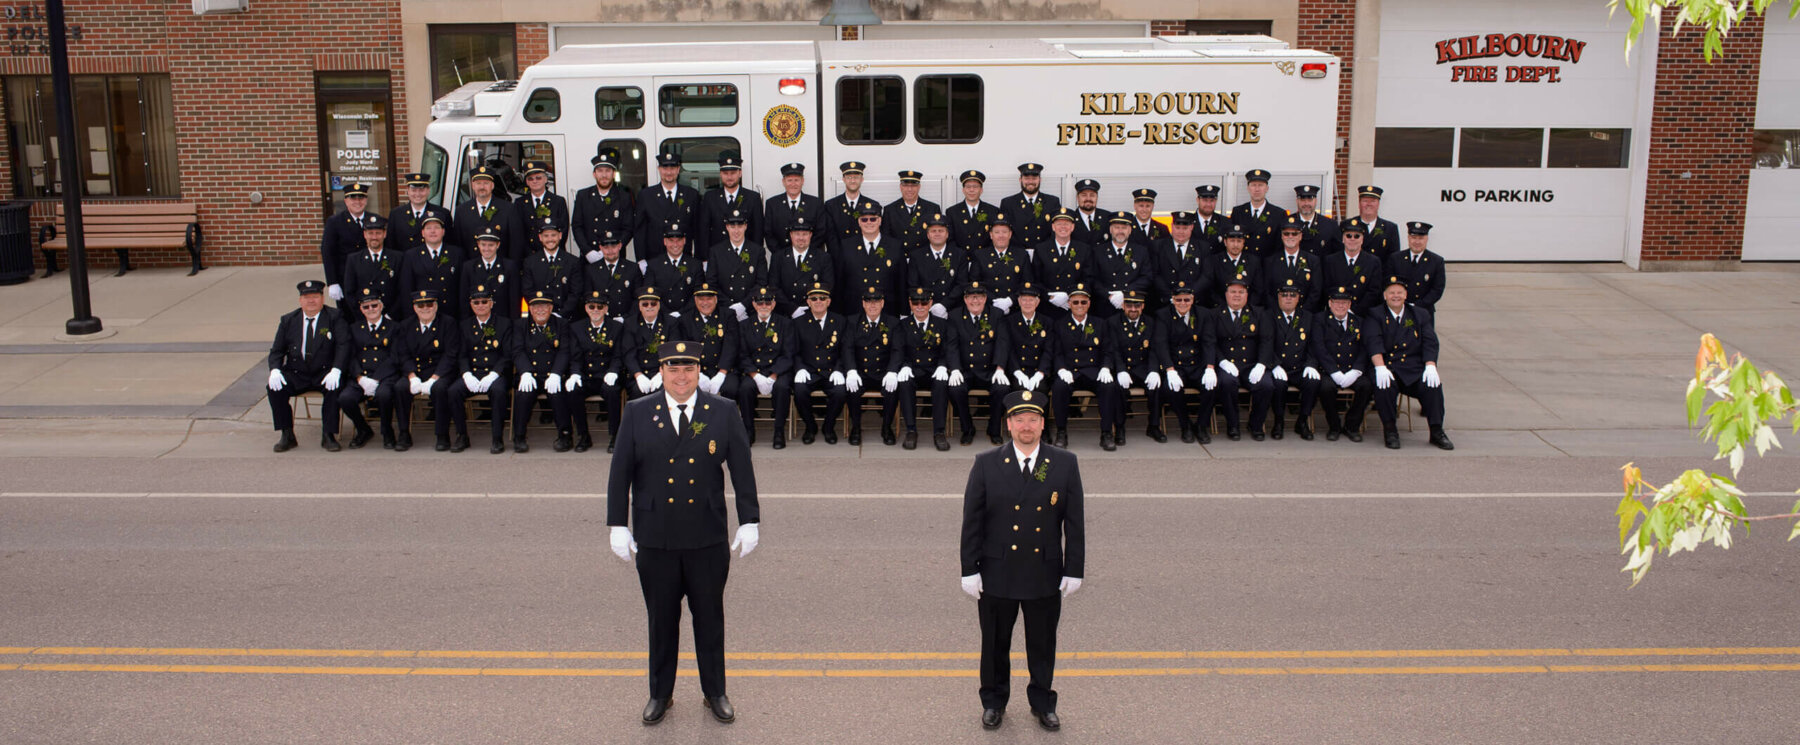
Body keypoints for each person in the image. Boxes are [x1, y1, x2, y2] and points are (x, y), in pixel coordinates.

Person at [607, 340, 760, 726]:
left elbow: (742, 468)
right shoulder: (638, 412)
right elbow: (620, 472)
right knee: (661, 620)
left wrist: (749, 519)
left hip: (705, 535)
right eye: (673, 369)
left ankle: (715, 692)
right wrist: (617, 524)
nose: (681, 377)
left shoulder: (722, 411)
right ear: (661, 372)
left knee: (709, 618)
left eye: (688, 369)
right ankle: (660, 694)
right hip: (655, 536)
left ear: (698, 372)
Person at [960, 390, 1084, 732]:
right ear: (1009, 425)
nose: (1026, 426)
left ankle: (1043, 703)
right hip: (997, 570)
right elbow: (972, 522)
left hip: (1043, 570)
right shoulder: (986, 463)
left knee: (1042, 644)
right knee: (994, 644)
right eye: (1019, 420)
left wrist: (1074, 569)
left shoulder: (1063, 463)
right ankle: (993, 702)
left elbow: (1074, 522)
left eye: (1032, 419)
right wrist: (969, 569)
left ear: (1043, 424)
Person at [1366, 278, 1454, 451]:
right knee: (1384, 386)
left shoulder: (1419, 314)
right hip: (1388, 367)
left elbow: (1430, 342)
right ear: (1385, 296)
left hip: (1413, 368)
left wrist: (1430, 365)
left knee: (1433, 386)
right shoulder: (1375, 314)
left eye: (1399, 292)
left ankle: (1437, 431)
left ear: (1406, 295)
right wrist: (1380, 367)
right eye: (1392, 293)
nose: (1396, 296)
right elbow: (1373, 342)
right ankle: (1390, 431)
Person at [267, 280, 351, 452]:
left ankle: (328, 435)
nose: (311, 301)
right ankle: (287, 434)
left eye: (315, 296)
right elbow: (277, 350)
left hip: (325, 372)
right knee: (274, 388)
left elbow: (344, 345)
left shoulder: (334, 317)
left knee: (334, 388)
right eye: (306, 297)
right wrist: (275, 370)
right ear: (300, 300)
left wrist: (337, 369)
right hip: (297, 372)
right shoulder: (288, 320)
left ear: (322, 298)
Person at [447, 284, 516, 454]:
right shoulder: (464, 325)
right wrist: (466, 374)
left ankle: (497, 438)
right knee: (453, 391)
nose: (480, 305)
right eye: (476, 302)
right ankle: (462, 436)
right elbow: (462, 354)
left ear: (491, 303)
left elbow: (507, 355)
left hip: (496, 373)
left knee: (498, 392)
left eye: (484, 301)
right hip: (473, 372)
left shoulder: (504, 324)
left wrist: (493, 374)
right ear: (471, 305)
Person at [1049, 285, 1118, 451]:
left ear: (1089, 304)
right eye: (1075, 302)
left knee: (1109, 386)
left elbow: (1108, 350)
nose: (1079, 305)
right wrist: (1061, 369)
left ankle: (1106, 433)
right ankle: (1061, 432)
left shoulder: (1100, 324)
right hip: (1070, 372)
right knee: (1059, 387)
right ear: (1069, 304)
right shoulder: (1060, 324)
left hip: (1093, 371)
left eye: (1083, 302)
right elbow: (1056, 352)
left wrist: (1106, 368)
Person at [1205, 277, 1273, 441]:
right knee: (1227, 383)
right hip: (1227, 364)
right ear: (1226, 294)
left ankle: (1256, 425)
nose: (1237, 295)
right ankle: (1233, 425)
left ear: (1247, 295)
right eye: (1233, 292)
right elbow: (1210, 342)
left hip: (1251, 364)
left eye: (1241, 292)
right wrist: (1222, 361)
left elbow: (1266, 341)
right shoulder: (1215, 314)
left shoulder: (1258, 313)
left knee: (1266, 385)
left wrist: (1261, 364)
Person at [947, 281, 1013, 446]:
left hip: (989, 370)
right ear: (965, 299)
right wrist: (955, 369)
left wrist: (1000, 368)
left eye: (979, 297)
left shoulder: (996, 314)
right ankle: (967, 428)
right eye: (971, 297)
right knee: (955, 389)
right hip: (966, 370)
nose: (975, 301)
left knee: (1002, 388)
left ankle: (994, 429)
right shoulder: (955, 315)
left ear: (985, 299)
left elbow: (1002, 343)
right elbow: (952, 345)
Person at [395, 290, 458, 452]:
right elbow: (403, 354)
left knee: (439, 389)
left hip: (440, 371)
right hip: (416, 371)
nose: (425, 308)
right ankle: (404, 433)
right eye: (420, 305)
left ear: (435, 306)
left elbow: (450, 354)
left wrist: (434, 378)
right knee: (400, 387)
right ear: (414, 308)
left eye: (429, 304)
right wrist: (412, 376)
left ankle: (442, 434)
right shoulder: (406, 325)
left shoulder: (447, 323)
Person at [897, 286, 958, 451]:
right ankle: (911, 430)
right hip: (913, 369)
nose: (920, 306)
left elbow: (948, 349)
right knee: (904, 383)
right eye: (915, 302)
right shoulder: (902, 325)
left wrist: (943, 366)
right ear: (910, 303)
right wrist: (904, 366)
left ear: (930, 303)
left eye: (924, 303)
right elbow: (899, 350)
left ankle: (939, 432)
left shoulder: (942, 324)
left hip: (934, 369)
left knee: (941, 384)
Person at [564, 290, 625, 453]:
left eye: (600, 307)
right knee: (573, 391)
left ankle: (615, 436)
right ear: (586, 308)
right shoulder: (577, 328)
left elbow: (618, 354)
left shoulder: (616, 327)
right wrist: (575, 373)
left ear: (606, 309)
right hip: (587, 376)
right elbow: (575, 356)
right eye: (592, 306)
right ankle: (583, 436)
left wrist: (614, 371)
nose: (596, 310)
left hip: (607, 375)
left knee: (612, 392)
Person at [339, 289, 401, 450]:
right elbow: (350, 355)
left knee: (384, 395)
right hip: (362, 376)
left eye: (374, 305)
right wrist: (360, 378)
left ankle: (387, 431)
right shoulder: (354, 328)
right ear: (361, 309)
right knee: (345, 399)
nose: (371, 309)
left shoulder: (394, 327)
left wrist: (376, 379)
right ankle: (363, 429)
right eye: (366, 307)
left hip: (385, 376)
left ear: (381, 306)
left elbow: (395, 357)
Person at [841, 288, 903, 446]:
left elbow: (897, 350)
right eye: (868, 302)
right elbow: (847, 348)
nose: (872, 305)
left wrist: (892, 371)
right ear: (863, 304)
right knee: (851, 388)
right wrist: (851, 370)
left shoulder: (892, 323)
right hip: (861, 372)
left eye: (876, 301)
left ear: (882, 303)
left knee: (893, 389)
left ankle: (886, 428)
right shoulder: (853, 322)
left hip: (883, 372)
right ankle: (856, 428)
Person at [1310, 285, 1373, 442]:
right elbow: (1319, 348)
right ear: (1330, 303)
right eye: (1337, 302)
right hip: (1329, 370)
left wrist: (1356, 371)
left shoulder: (1359, 321)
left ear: (1349, 304)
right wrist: (1334, 372)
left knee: (1366, 386)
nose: (1340, 306)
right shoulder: (1320, 320)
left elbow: (1365, 348)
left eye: (1344, 303)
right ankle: (1334, 426)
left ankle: (1352, 426)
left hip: (1352, 369)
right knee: (1326, 388)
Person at [735, 286, 796, 448]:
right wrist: (755, 375)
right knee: (745, 389)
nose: (764, 306)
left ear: (773, 304)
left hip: (778, 371)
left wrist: (773, 375)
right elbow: (742, 355)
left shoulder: (785, 324)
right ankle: (748, 430)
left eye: (768, 303)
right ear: (754, 304)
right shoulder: (744, 325)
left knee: (782, 388)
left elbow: (788, 354)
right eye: (760, 303)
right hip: (754, 371)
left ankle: (779, 432)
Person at [511, 293, 571, 453]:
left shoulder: (561, 324)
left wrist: (557, 373)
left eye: (544, 306)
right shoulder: (521, 325)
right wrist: (525, 372)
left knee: (558, 393)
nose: (540, 310)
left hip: (552, 373)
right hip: (531, 373)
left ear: (551, 308)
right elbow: (517, 351)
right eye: (536, 307)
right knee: (523, 394)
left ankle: (565, 436)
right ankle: (519, 437)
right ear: (530, 309)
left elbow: (564, 351)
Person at [791, 283, 849, 444]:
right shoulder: (798, 323)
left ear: (828, 302)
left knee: (840, 392)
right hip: (809, 371)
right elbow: (794, 351)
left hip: (831, 371)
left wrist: (839, 369)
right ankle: (810, 427)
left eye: (822, 298)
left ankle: (828, 427)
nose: (818, 301)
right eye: (814, 298)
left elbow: (845, 350)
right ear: (808, 302)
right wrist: (800, 368)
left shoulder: (840, 321)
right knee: (799, 391)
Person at [1154, 282, 1211, 444]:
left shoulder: (1203, 314)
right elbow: (1161, 344)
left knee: (1212, 386)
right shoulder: (1163, 315)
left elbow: (1209, 342)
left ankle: (1201, 426)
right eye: (1178, 300)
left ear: (1192, 300)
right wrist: (1169, 370)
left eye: (1187, 300)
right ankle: (1185, 425)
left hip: (1197, 364)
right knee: (1171, 388)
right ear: (1172, 300)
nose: (1183, 303)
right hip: (1176, 365)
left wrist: (1210, 367)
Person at [1106, 290, 1164, 444]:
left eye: (1137, 306)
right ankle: (1120, 428)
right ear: (1123, 306)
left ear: (1143, 306)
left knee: (1157, 386)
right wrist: (1120, 370)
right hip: (1122, 367)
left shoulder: (1150, 322)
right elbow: (1113, 349)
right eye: (1129, 305)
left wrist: (1153, 370)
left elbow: (1154, 348)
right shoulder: (1113, 322)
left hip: (1142, 367)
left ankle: (1154, 426)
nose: (1133, 309)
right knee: (1116, 388)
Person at [1265, 283, 1321, 441]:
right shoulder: (1268, 316)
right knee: (1278, 385)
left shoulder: (1308, 317)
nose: (1288, 298)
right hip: (1278, 367)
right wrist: (1274, 364)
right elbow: (1265, 343)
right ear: (1278, 297)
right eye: (1284, 295)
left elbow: (1314, 344)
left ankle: (1302, 421)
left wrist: (1311, 364)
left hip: (1299, 367)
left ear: (1298, 298)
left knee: (1313, 382)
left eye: (1292, 295)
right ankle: (1278, 422)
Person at [835, 205, 903, 317]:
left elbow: (901, 282)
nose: (869, 223)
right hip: (854, 310)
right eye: (864, 219)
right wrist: (838, 314)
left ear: (880, 221)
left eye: (873, 219)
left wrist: (904, 312)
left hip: (887, 310)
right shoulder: (846, 246)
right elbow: (839, 283)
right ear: (859, 222)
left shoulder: (895, 246)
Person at [634, 151, 701, 262]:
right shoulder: (646, 195)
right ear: (659, 169)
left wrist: (699, 259)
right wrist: (641, 259)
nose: (669, 172)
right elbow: (640, 231)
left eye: (672, 168)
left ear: (678, 169)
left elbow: (698, 231)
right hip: (655, 258)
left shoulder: (691, 195)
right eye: (665, 168)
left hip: (684, 258)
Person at [573, 148, 637, 263]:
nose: (604, 175)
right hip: (590, 257)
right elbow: (577, 226)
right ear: (594, 174)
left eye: (608, 171)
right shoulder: (583, 196)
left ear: (614, 174)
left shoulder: (624, 197)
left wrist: (613, 249)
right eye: (600, 171)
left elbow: (628, 228)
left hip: (615, 256)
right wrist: (587, 251)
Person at [680, 283, 740, 405]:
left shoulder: (728, 315)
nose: (705, 303)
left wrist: (721, 373)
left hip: (723, 369)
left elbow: (731, 346)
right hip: (697, 369)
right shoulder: (685, 319)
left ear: (716, 299)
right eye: (701, 299)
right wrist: (696, 373)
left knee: (730, 389)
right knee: (687, 389)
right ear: (695, 300)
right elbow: (686, 350)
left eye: (709, 299)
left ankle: (726, 417)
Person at [697, 151, 764, 259]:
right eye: (725, 173)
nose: (729, 177)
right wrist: (705, 258)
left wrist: (756, 257)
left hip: (744, 256)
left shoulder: (752, 198)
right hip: (718, 256)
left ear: (740, 173)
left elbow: (758, 232)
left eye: (733, 173)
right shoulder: (710, 197)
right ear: (720, 174)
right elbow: (704, 231)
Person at [453, 165, 526, 262]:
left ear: (492, 186)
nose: (482, 187)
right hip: (471, 267)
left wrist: (511, 268)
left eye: (486, 183)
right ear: (473, 185)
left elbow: (516, 244)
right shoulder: (462, 210)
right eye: (478, 183)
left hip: (500, 267)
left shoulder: (508, 209)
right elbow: (458, 245)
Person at [401, 215, 467, 323]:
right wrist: (410, 319)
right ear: (423, 233)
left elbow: (462, 289)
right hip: (424, 315)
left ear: (443, 231)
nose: (433, 231)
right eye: (428, 228)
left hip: (451, 316)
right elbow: (406, 290)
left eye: (436, 227)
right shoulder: (411, 255)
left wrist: (463, 317)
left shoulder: (457, 253)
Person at [705, 209, 767, 322]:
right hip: (724, 310)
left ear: (745, 226)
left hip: (750, 311)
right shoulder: (716, 251)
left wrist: (743, 305)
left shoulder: (757, 251)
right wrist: (731, 307)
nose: (736, 231)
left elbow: (761, 282)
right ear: (727, 227)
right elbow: (711, 283)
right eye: (732, 227)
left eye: (740, 226)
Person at [1032, 208, 1093, 320]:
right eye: (1059, 224)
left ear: (1072, 227)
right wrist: (1050, 296)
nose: (1063, 227)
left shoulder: (1083, 249)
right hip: (1047, 308)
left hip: (1074, 307)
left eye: (1066, 224)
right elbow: (1036, 280)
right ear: (1053, 227)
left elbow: (1088, 279)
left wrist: (1070, 295)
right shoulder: (1041, 249)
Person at [341, 215, 404, 322]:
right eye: (370, 233)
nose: (374, 237)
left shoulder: (397, 258)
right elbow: (349, 292)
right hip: (365, 318)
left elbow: (403, 290)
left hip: (391, 318)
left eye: (378, 233)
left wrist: (390, 315)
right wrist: (365, 316)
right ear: (365, 234)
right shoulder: (354, 259)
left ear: (384, 234)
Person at [320, 184, 372, 311]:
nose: (357, 202)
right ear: (346, 201)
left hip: (370, 277)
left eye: (361, 198)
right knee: (347, 315)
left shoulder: (374, 219)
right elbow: (328, 252)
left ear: (366, 200)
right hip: (344, 278)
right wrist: (332, 282)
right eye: (353, 198)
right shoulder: (335, 222)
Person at [521, 216, 583, 320]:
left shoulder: (572, 261)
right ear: (540, 237)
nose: (550, 239)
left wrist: (561, 314)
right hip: (540, 317)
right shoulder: (530, 262)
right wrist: (543, 313)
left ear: (560, 235)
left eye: (553, 235)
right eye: (546, 236)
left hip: (566, 318)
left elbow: (575, 293)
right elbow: (528, 292)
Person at [906, 214, 965, 320]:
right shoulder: (916, 256)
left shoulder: (959, 255)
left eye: (941, 231)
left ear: (947, 234)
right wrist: (928, 305)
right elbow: (913, 285)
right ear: (928, 235)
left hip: (952, 310)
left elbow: (961, 285)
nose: (937, 234)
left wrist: (944, 305)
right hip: (925, 310)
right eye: (933, 231)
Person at [1322, 218, 1384, 316]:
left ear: (1362, 239)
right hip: (1335, 314)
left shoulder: (1373, 262)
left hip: (1362, 315)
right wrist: (1340, 309)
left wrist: (1354, 311)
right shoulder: (1330, 261)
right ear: (1343, 239)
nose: (1352, 239)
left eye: (1357, 236)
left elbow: (1374, 292)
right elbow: (1326, 288)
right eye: (1348, 235)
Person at [622, 287, 675, 401]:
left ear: (658, 305)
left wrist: (662, 373)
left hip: (662, 372)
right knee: (637, 392)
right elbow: (629, 353)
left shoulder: (670, 322)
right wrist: (638, 375)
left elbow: (672, 351)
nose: (649, 307)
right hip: (639, 372)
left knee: (663, 392)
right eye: (645, 304)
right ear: (640, 306)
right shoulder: (630, 323)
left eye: (653, 303)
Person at [1092, 214, 1149, 319]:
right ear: (1110, 230)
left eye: (1124, 228)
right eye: (1117, 227)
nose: (1120, 231)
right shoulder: (1098, 251)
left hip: (1131, 307)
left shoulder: (1140, 251)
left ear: (1130, 230)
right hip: (1105, 307)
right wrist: (1108, 296)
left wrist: (1125, 293)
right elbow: (1093, 279)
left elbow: (1146, 277)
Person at [763, 162, 826, 256]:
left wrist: (804, 254)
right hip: (781, 257)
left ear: (802, 181)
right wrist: (782, 255)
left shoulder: (815, 203)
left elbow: (821, 232)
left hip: (809, 257)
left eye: (796, 180)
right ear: (783, 182)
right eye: (789, 180)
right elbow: (768, 233)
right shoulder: (772, 204)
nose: (793, 184)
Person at [968, 216, 1029, 311]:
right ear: (991, 235)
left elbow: (1027, 283)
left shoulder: (1022, 255)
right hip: (988, 308)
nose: (1001, 236)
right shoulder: (980, 255)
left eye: (1004, 232)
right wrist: (994, 301)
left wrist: (1010, 300)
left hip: (1015, 308)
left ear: (1010, 234)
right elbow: (975, 283)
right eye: (997, 232)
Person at [1004, 283, 1054, 398]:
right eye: (1024, 300)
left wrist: (1040, 373)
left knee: (1040, 390)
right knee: (1018, 390)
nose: (1027, 303)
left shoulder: (1047, 322)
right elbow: (1009, 349)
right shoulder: (1009, 321)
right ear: (1019, 301)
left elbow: (1048, 350)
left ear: (1037, 302)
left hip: (1038, 371)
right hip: (1017, 371)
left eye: (1031, 300)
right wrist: (1017, 372)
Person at [1385, 221, 1447, 314]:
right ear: (1408, 238)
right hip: (1398, 310)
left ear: (1427, 239)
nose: (1417, 242)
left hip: (1424, 311)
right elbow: (1388, 284)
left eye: (1421, 238)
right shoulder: (1395, 258)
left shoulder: (1436, 261)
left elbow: (1437, 290)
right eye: (1413, 238)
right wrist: (1401, 304)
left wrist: (1417, 305)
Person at [387, 172, 453, 256]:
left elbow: (449, 243)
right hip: (405, 262)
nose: (418, 194)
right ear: (407, 190)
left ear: (428, 190)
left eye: (421, 190)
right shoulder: (396, 214)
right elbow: (391, 245)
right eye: (413, 190)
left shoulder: (442, 213)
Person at [1153, 211, 1209, 310]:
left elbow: (1206, 275)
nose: (1181, 232)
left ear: (1191, 227)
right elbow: (1155, 275)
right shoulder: (1159, 246)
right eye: (1178, 228)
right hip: (1166, 303)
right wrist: (1172, 296)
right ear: (1172, 226)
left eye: (1185, 228)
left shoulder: (1202, 247)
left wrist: (1188, 296)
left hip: (1193, 303)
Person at [1264, 216, 1322, 310]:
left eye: (1294, 234)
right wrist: (1279, 312)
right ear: (1282, 236)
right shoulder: (1271, 261)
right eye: (1286, 234)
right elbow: (1267, 292)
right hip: (1277, 314)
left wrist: (1301, 313)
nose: (1290, 237)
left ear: (1300, 236)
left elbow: (1315, 291)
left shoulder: (1312, 261)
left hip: (1304, 314)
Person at [823, 160, 883, 252]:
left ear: (862, 179)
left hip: (864, 256)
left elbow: (876, 235)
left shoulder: (873, 204)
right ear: (843, 179)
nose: (853, 181)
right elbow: (830, 237)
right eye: (849, 177)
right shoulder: (831, 205)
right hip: (838, 256)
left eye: (856, 177)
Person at [643, 220, 701, 314]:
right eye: (671, 241)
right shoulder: (653, 265)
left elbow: (698, 295)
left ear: (684, 241)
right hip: (662, 315)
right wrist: (668, 314)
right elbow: (650, 294)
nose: (675, 245)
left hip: (688, 315)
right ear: (665, 241)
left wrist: (680, 313)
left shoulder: (695, 265)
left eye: (679, 240)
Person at [1228, 169, 1289, 259]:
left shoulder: (1278, 214)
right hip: (1244, 263)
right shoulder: (1238, 212)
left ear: (1267, 188)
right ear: (1248, 188)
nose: (1257, 189)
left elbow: (1279, 245)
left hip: (1267, 263)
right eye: (1253, 185)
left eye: (1260, 185)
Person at [999, 162, 1060, 250]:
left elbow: (1056, 232)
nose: (1030, 182)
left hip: (1044, 252)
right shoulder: (1008, 203)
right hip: (1018, 253)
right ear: (1020, 180)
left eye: (1034, 178)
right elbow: (1004, 232)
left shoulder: (1052, 202)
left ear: (1040, 180)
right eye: (1027, 178)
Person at [581, 229, 642, 316]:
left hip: (625, 320)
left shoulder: (632, 268)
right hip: (602, 319)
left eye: (613, 247)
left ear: (620, 246)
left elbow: (638, 299)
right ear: (600, 248)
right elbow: (588, 299)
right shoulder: (591, 270)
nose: (610, 251)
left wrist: (626, 318)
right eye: (606, 248)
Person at [461, 230, 518, 322]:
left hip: (502, 321)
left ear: (498, 245)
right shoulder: (469, 267)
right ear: (478, 244)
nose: (487, 249)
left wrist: (513, 324)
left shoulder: (509, 266)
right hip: (477, 321)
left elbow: (514, 300)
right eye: (483, 245)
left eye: (491, 245)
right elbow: (464, 299)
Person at [881, 169, 940, 255]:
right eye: (905, 185)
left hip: (923, 258)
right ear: (900, 187)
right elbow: (886, 239)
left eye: (913, 185)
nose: (909, 189)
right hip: (900, 258)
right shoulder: (890, 210)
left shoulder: (932, 209)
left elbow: (938, 238)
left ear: (919, 187)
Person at [1204, 225, 1262, 310]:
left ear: (1243, 242)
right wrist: (1226, 309)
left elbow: (1258, 290)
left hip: (1247, 310)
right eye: (1232, 241)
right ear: (1225, 242)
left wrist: (1245, 308)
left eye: (1239, 241)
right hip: (1220, 310)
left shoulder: (1253, 261)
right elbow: (1210, 290)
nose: (1235, 245)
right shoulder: (1214, 261)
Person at [947, 169, 999, 253]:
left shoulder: (992, 211)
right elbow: (950, 240)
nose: (971, 190)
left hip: (984, 258)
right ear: (963, 190)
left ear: (981, 190)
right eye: (968, 187)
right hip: (961, 258)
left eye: (975, 186)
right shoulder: (952, 212)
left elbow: (995, 239)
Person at [513, 161, 569, 234]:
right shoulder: (519, 203)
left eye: (538, 178)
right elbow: (516, 230)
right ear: (527, 182)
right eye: (530, 179)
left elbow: (563, 229)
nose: (534, 181)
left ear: (546, 179)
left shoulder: (558, 201)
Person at [1353, 185, 1402, 261]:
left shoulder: (1390, 228)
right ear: (1359, 204)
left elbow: (1394, 260)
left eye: (1373, 201)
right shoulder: (1348, 225)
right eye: (1365, 201)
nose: (1369, 204)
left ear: (1378, 204)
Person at [1291, 184, 1340, 259]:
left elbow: (1337, 255)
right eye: (1302, 200)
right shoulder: (1287, 223)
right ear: (1297, 201)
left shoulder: (1330, 225)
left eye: (1310, 200)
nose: (1306, 203)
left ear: (1316, 201)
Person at [1067, 179, 1111, 248]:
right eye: (1084, 195)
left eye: (1092, 195)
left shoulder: (1107, 217)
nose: (1088, 199)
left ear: (1097, 197)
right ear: (1077, 198)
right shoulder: (1069, 219)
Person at [1192, 184, 1227, 255]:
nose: (1208, 204)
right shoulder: (1188, 222)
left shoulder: (1225, 222)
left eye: (1212, 201)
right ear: (1198, 200)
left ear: (1216, 201)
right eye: (1205, 200)